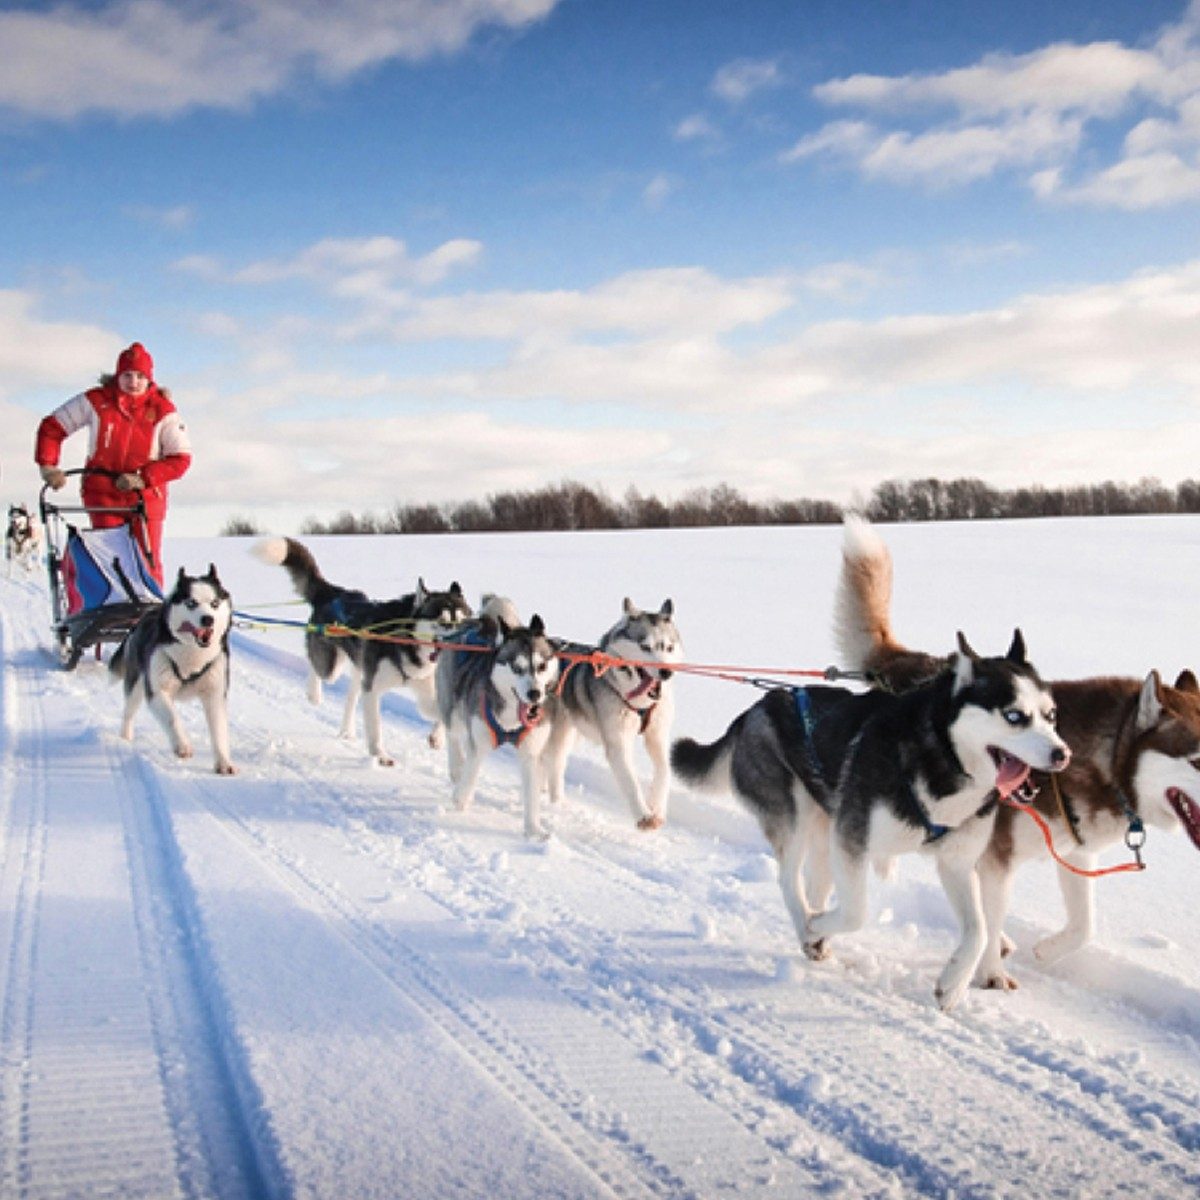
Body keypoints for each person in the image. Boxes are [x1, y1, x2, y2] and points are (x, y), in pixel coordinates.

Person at [35, 342, 191, 586]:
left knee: (147, 561)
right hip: (102, 494)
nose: (133, 381)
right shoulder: (96, 401)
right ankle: (112, 614)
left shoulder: (163, 410)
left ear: (150, 379)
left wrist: (143, 478)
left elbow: (180, 459)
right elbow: (52, 428)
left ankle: (149, 616)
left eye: (140, 376)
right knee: (111, 559)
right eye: (127, 375)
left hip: (146, 496)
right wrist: (48, 465)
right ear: (118, 375)